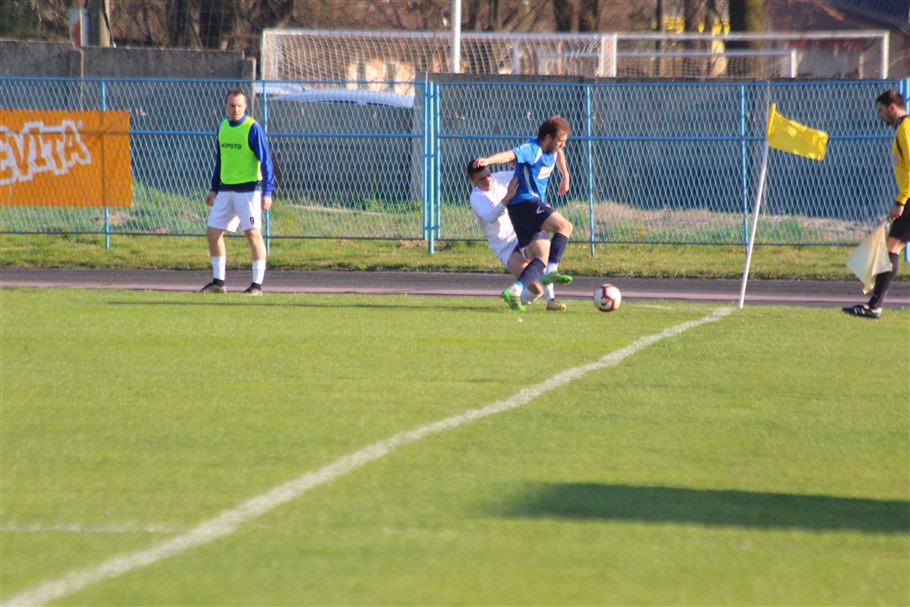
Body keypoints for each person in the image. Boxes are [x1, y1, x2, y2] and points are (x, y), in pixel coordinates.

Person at [473, 115, 574, 311]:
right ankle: (552, 271)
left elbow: (559, 154)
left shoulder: (553, 150)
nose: (562, 146)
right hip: (525, 203)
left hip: (525, 209)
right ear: (547, 138)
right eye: (560, 141)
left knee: (541, 257)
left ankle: (516, 291)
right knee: (565, 226)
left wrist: (565, 175)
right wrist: (488, 160)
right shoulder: (532, 149)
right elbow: (509, 155)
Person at [200, 89, 275, 296]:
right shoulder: (222, 127)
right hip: (226, 190)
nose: (236, 109)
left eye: (240, 106)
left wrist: (267, 191)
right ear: (226, 106)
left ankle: (256, 286)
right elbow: (221, 160)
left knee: (253, 234)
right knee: (213, 233)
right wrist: (214, 188)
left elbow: (266, 161)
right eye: (232, 106)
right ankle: (218, 282)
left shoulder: (252, 128)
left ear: (245, 107)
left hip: (248, 190)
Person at [843, 89, 909, 319]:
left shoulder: (905, 129)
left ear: (892, 107)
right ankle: (874, 304)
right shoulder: (902, 128)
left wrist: (900, 201)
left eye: (881, 110)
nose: (879, 115)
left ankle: (874, 306)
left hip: (908, 197)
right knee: (892, 247)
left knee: (891, 248)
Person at [466, 160, 566, 311]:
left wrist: (520, 162)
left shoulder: (501, 178)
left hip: (520, 230)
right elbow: (490, 216)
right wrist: (508, 197)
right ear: (472, 180)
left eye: (488, 175)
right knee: (536, 290)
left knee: (541, 254)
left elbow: (527, 175)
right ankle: (515, 298)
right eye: (481, 179)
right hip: (504, 245)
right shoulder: (476, 197)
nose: (487, 180)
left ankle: (551, 300)